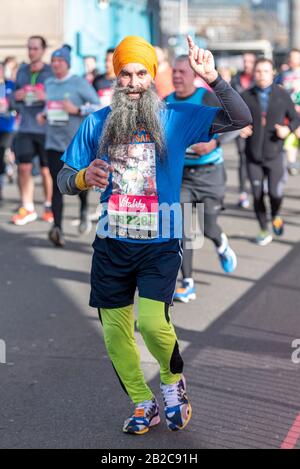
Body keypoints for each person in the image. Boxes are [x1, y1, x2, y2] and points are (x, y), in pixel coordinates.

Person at [58, 35, 251, 434]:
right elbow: (64, 178)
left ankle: (170, 381)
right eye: (125, 74)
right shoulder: (96, 122)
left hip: (159, 242)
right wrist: (81, 177)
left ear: (152, 76)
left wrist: (214, 78)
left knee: (151, 324)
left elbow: (240, 118)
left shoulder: (176, 117)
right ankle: (142, 402)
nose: (132, 82)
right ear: (116, 78)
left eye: (140, 73)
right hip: (112, 243)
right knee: (114, 333)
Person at [166, 55, 237, 303]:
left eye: (182, 71)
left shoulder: (205, 98)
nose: (177, 76)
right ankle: (187, 282)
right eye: (174, 71)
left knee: (207, 226)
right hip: (184, 175)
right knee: (183, 228)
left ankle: (220, 242)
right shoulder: (167, 102)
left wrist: (213, 141)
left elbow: (236, 124)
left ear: (194, 75)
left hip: (210, 174)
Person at [37, 45, 99, 247]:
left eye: (60, 61)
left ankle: (83, 210)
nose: (56, 64)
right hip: (54, 142)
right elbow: (49, 105)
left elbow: (97, 106)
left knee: (79, 184)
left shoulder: (78, 83)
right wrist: (44, 114)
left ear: (67, 63)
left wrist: (77, 109)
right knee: (57, 186)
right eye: (53, 61)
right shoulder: (49, 83)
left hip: (76, 145)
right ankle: (57, 228)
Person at [241, 58, 299, 246]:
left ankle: (275, 215)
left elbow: (296, 119)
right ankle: (264, 229)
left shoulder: (281, 94)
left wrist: (287, 129)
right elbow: (233, 119)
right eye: (258, 71)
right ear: (254, 73)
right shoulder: (246, 96)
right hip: (253, 156)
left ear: (272, 73)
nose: (261, 75)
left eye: (266, 71)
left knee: (275, 193)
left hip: (274, 154)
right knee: (257, 195)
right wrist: (239, 129)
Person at [10, 35, 53, 225]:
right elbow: (12, 98)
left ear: (43, 51)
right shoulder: (22, 71)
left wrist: (45, 96)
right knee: (24, 167)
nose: (31, 52)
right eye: (29, 48)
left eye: (35, 48)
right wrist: (16, 97)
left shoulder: (51, 72)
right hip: (26, 126)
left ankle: (49, 206)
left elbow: (61, 96)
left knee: (46, 170)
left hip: (45, 128)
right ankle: (27, 207)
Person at [231, 52, 256, 208]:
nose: (246, 64)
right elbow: (230, 103)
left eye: (249, 61)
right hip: (241, 127)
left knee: (257, 158)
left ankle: (259, 189)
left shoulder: (259, 80)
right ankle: (243, 193)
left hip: (258, 127)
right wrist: (239, 125)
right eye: (244, 61)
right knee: (243, 159)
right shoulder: (235, 80)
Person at [276, 49, 300, 176]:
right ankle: (291, 164)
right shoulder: (283, 74)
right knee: (291, 138)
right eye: (290, 57)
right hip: (289, 113)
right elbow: (276, 87)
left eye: (295, 57)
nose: (292, 59)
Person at [0, 62, 16, 203]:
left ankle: (8, 168)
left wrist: (8, 105)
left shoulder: (10, 85)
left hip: (7, 127)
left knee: (3, 153)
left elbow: (17, 103)